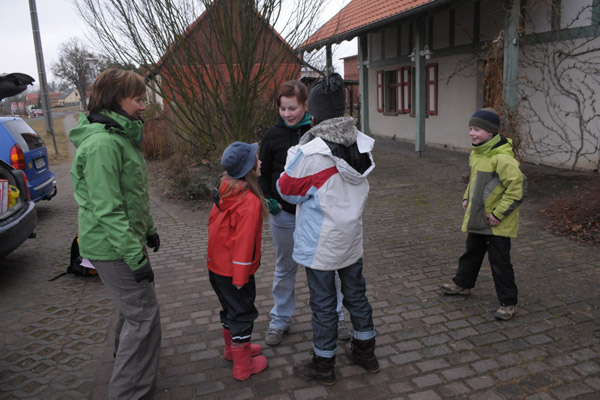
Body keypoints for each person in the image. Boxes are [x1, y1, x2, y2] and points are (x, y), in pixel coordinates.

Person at [277, 73, 379, 385]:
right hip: (351, 238)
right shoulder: (361, 145)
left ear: (314, 112)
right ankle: (365, 352)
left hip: (321, 242)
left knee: (323, 304)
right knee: (356, 295)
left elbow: (286, 189)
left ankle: (323, 364)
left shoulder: (311, 153)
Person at [69, 68, 162, 399]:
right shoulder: (103, 145)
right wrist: (135, 256)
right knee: (143, 318)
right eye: (138, 99)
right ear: (115, 100)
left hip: (122, 243)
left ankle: (129, 368)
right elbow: (108, 210)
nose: (143, 106)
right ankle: (130, 390)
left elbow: (133, 194)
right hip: (114, 248)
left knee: (133, 312)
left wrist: (148, 229)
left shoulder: (120, 136)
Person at [259, 80, 351, 346]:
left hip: (316, 214)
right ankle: (280, 319)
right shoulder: (272, 136)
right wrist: (269, 201)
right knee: (285, 268)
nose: (287, 114)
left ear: (306, 106)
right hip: (284, 215)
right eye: (283, 108)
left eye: (293, 108)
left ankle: (336, 317)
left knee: (326, 266)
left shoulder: (319, 132)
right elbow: (263, 176)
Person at [440, 107, 527, 321]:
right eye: (470, 128)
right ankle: (462, 284)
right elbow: (474, 181)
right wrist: (466, 197)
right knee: (471, 252)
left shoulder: (503, 159)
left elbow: (518, 189)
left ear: (491, 132)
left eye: (477, 129)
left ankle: (508, 302)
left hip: (497, 222)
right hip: (478, 217)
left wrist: (499, 213)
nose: (472, 133)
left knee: (500, 262)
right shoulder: (477, 154)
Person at [207, 141, 268, 381]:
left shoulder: (226, 189)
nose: (260, 162)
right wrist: (241, 278)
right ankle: (243, 366)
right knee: (242, 313)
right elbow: (244, 243)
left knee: (230, 308)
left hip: (217, 267)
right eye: (256, 159)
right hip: (234, 272)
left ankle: (233, 349)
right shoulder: (248, 201)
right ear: (248, 168)